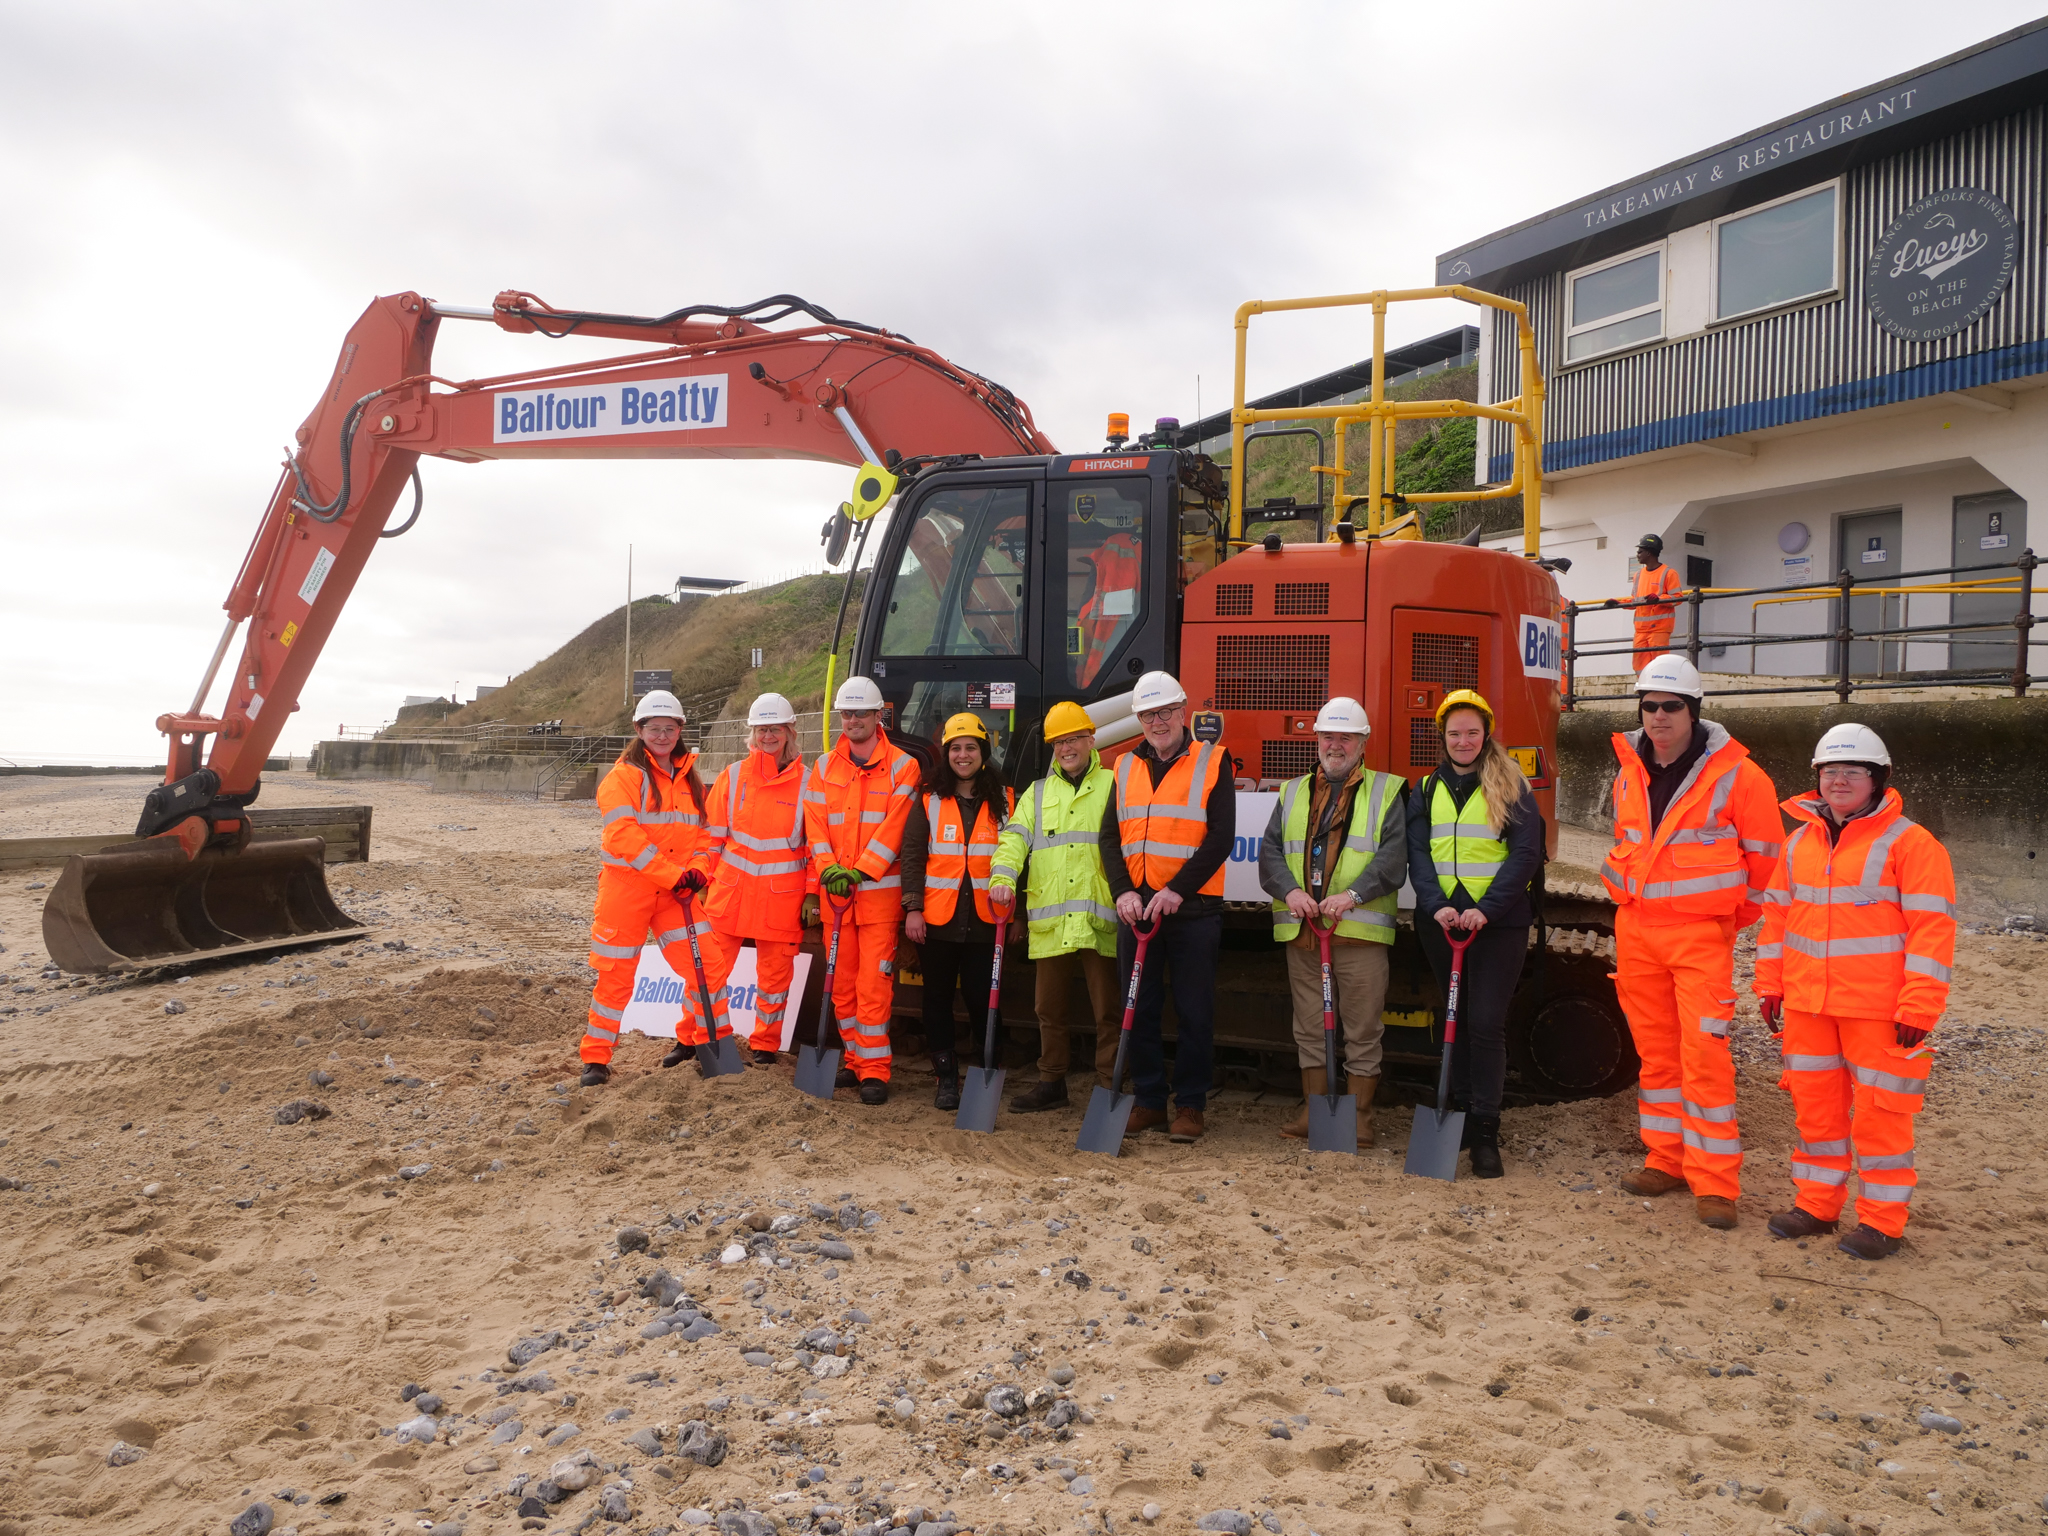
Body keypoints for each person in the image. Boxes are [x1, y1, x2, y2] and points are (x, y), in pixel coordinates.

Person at [1754, 724, 1955, 1261]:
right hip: (1806, 1005)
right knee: (1816, 1112)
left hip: (1878, 1009)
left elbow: (1932, 930)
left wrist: (1920, 1003)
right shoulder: (1799, 842)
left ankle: (1882, 1223)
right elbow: (1777, 919)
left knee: (1880, 1116)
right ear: (1816, 779)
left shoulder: (1912, 843)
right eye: (1829, 772)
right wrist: (1770, 983)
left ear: (1877, 778)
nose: (1839, 781)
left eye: (1852, 771)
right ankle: (1817, 1207)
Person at [1602, 654, 1782, 1227]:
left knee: (1704, 1057)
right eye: (1649, 705)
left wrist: (1723, 922)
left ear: (1694, 710)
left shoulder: (1740, 777)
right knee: (1656, 1056)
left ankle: (1716, 1184)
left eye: (1670, 706)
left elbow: (1768, 866)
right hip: (1636, 931)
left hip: (1700, 937)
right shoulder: (1629, 769)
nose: (1658, 716)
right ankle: (1666, 1158)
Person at [1405, 689, 1543, 1177]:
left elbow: (1525, 854)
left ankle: (1485, 1128)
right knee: (1454, 1022)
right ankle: (1459, 1115)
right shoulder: (1424, 788)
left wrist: (1487, 909)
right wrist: (1435, 905)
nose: (1463, 740)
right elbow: (1418, 855)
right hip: (1441, 924)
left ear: (1486, 735)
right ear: (1442, 737)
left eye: (1472, 732)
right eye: (1454, 733)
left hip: (1496, 924)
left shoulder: (1512, 786)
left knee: (1485, 1023)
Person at [1258, 696, 1407, 1145]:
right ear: (1317, 739)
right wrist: (1292, 892)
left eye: (1345, 737)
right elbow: (1269, 853)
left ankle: (1359, 1115)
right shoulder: (1292, 792)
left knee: (1362, 1028)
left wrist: (1352, 896)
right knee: (1308, 1026)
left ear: (1363, 742)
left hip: (1359, 933)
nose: (1335, 745)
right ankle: (1315, 1110)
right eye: (1328, 736)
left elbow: (1392, 856)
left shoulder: (1388, 791)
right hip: (1305, 933)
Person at [1099, 670, 1233, 1143]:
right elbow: (1109, 838)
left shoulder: (1213, 761)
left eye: (1165, 712)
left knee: (1195, 1012)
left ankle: (1191, 1106)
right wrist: (1123, 892)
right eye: (1148, 714)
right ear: (1139, 719)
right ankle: (1151, 1100)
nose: (1157, 721)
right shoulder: (1123, 766)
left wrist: (1176, 890)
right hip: (1137, 913)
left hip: (1192, 910)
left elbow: (1221, 837)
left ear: (1183, 712)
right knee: (1139, 1008)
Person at [989, 700, 1121, 1113]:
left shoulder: (1114, 785)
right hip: (1051, 917)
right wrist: (1003, 877)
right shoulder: (1037, 792)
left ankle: (1108, 1085)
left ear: (1090, 739)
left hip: (1099, 916)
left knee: (1108, 1012)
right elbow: (1014, 838)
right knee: (1048, 1008)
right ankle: (1052, 1082)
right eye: (1058, 742)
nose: (1066, 748)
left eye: (1074, 739)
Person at [580, 690, 710, 1086]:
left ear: (680, 730)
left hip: (677, 895)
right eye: (654, 728)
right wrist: (674, 875)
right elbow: (623, 837)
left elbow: (704, 834)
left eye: (669, 728)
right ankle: (597, 1060)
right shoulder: (623, 778)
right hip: (628, 893)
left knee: (708, 967)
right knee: (616, 977)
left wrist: (698, 870)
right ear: (639, 730)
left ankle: (693, 1041)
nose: (662, 735)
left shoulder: (690, 778)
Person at [803, 675, 920, 1105]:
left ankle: (875, 1070)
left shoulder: (904, 766)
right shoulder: (822, 768)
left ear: (878, 716)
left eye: (861, 714)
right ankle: (854, 1061)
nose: (853, 720)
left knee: (874, 986)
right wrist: (829, 870)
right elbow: (815, 826)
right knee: (843, 986)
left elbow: (896, 829)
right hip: (838, 898)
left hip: (877, 899)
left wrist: (861, 871)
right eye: (846, 714)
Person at [680, 692, 809, 1069]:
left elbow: (817, 850)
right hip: (729, 897)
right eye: (761, 729)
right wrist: (700, 879)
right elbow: (711, 838)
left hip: (781, 901)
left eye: (774, 729)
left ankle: (765, 1046)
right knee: (706, 973)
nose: (767, 736)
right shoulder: (733, 777)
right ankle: (689, 1039)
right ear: (751, 733)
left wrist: (813, 895)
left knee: (774, 981)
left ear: (789, 732)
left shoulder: (808, 784)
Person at [901, 713, 1016, 1110]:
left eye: (970, 747)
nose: (962, 755)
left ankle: (987, 1070)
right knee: (936, 1001)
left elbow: (1022, 858)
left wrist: (1017, 916)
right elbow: (913, 855)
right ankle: (945, 1077)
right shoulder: (930, 798)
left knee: (986, 1001)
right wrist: (913, 908)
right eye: (955, 748)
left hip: (989, 922)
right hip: (938, 922)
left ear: (983, 752)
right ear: (945, 753)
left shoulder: (1006, 799)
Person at [1608, 533, 1682, 672]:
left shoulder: (1669, 573)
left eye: (1640, 551)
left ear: (1648, 553)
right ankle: (1644, 691)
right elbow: (1636, 600)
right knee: (1639, 666)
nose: (1637, 554)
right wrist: (1618, 603)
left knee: (1660, 665)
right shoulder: (1638, 575)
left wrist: (1659, 599)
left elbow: (1677, 598)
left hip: (1659, 629)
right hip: (1641, 630)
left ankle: (1659, 691)